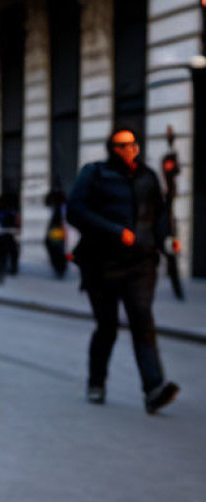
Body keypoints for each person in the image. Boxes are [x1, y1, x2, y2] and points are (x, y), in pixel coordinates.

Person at [67, 127, 180, 414]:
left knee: (143, 321)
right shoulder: (94, 174)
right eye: (122, 145)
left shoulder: (147, 177)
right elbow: (75, 211)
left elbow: (160, 213)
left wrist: (167, 238)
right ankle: (96, 381)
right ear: (112, 148)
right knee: (107, 327)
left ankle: (154, 388)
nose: (129, 149)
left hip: (141, 263)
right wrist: (114, 231)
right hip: (101, 264)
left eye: (132, 144)